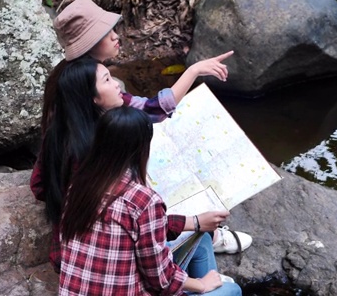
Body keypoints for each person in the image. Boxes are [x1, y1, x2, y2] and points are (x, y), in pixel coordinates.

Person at [31, 56, 251, 272]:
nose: (117, 83)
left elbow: (38, 186)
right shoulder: (98, 152)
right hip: (111, 256)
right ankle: (211, 240)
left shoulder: (59, 131)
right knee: (222, 280)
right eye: (107, 80)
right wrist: (194, 222)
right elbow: (136, 227)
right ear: (93, 98)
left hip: (76, 239)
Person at [60, 107, 242, 295]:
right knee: (232, 290)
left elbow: (137, 232)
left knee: (202, 239)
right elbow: (159, 278)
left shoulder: (79, 185)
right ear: (142, 148)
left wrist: (195, 222)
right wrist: (202, 284)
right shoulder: (143, 200)